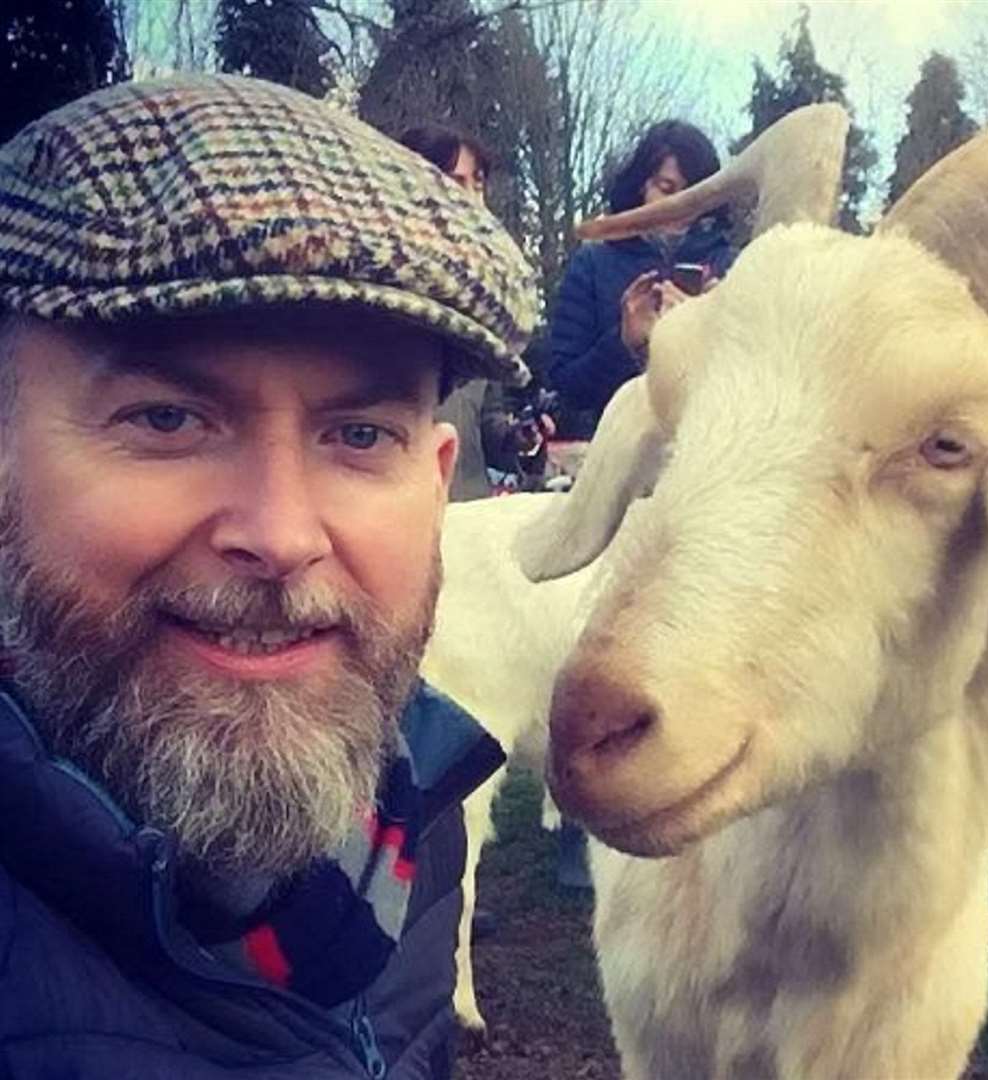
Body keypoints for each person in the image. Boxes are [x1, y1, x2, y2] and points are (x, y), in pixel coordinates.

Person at [0, 74, 538, 1078]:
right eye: (167, 419)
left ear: (436, 489)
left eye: (360, 433)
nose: (283, 534)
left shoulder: (406, 834)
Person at [397, 123, 555, 495]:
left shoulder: (485, 305)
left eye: (478, 183)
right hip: (392, 523)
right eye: (453, 182)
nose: (471, 199)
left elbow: (487, 423)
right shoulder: (377, 296)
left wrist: (521, 441)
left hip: (469, 522)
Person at [549, 119, 736, 426]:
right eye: (667, 189)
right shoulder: (593, 264)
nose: (680, 204)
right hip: (620, 456)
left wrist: (719, 326)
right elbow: (566, 387)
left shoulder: (733, 267)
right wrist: (624, 342)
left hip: (710, 452)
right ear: (641, 185)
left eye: (695, 193)